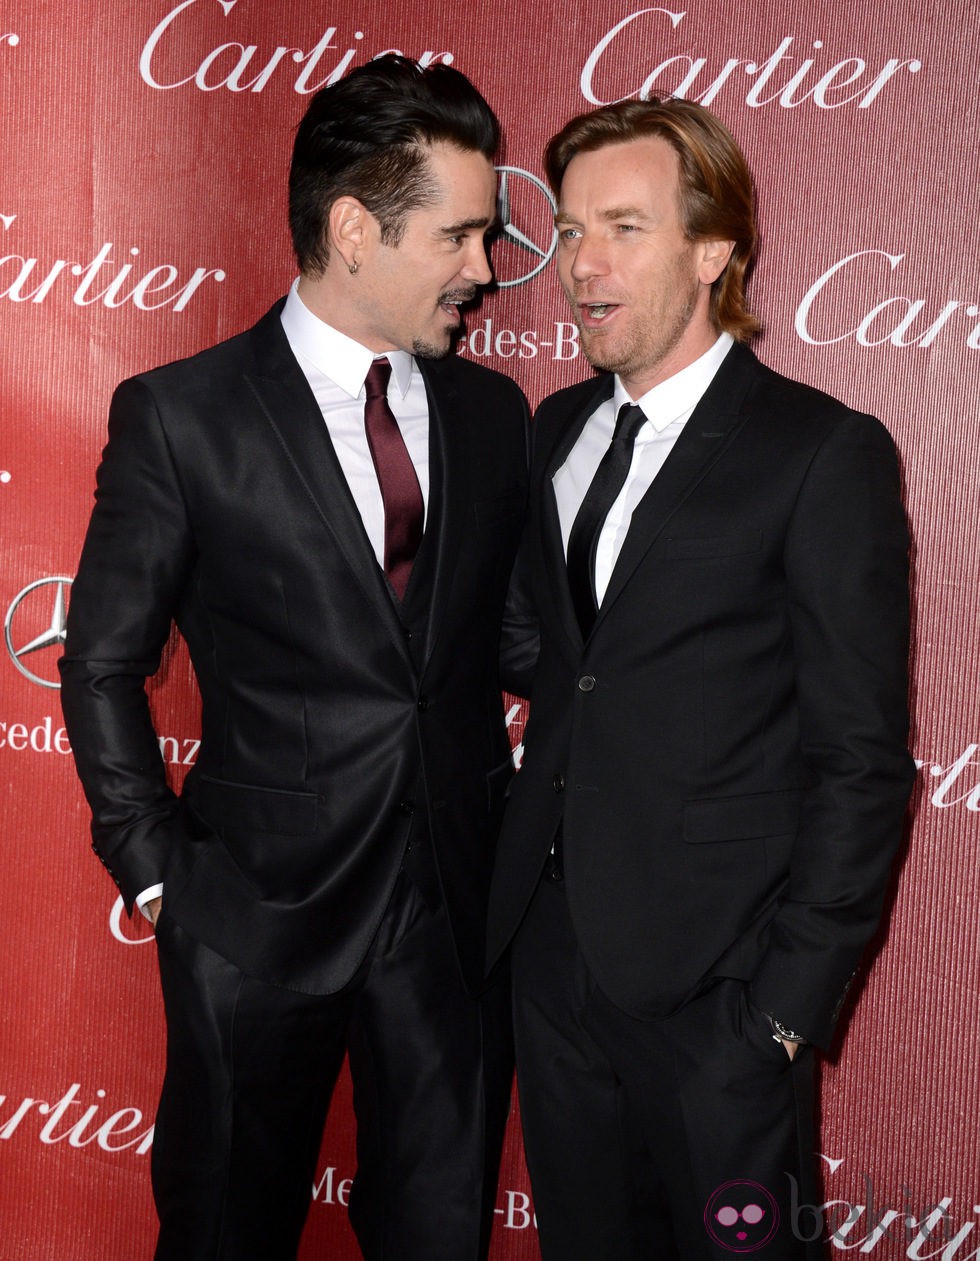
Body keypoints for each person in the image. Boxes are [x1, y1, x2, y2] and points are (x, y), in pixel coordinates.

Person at [60, 55, 528, 1261]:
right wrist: (157, 870)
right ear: (353, 229)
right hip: (250, 910)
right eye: (461, 236)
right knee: (224, 1229)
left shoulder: (490, 417)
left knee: (438, 1234)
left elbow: (515, 641)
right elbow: (103, 660)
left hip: (451, 914)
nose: (485, 271)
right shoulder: (182, 415)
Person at [487, 97, 914, 1260]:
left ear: (712, 248)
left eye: (621, 227)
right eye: (569, 232)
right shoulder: (557, 427)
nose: (580, 265)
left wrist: (780, 1010)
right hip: (552, 956)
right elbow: (560, 657)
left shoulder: (818, 452)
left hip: (718, 988)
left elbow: (860, 757)